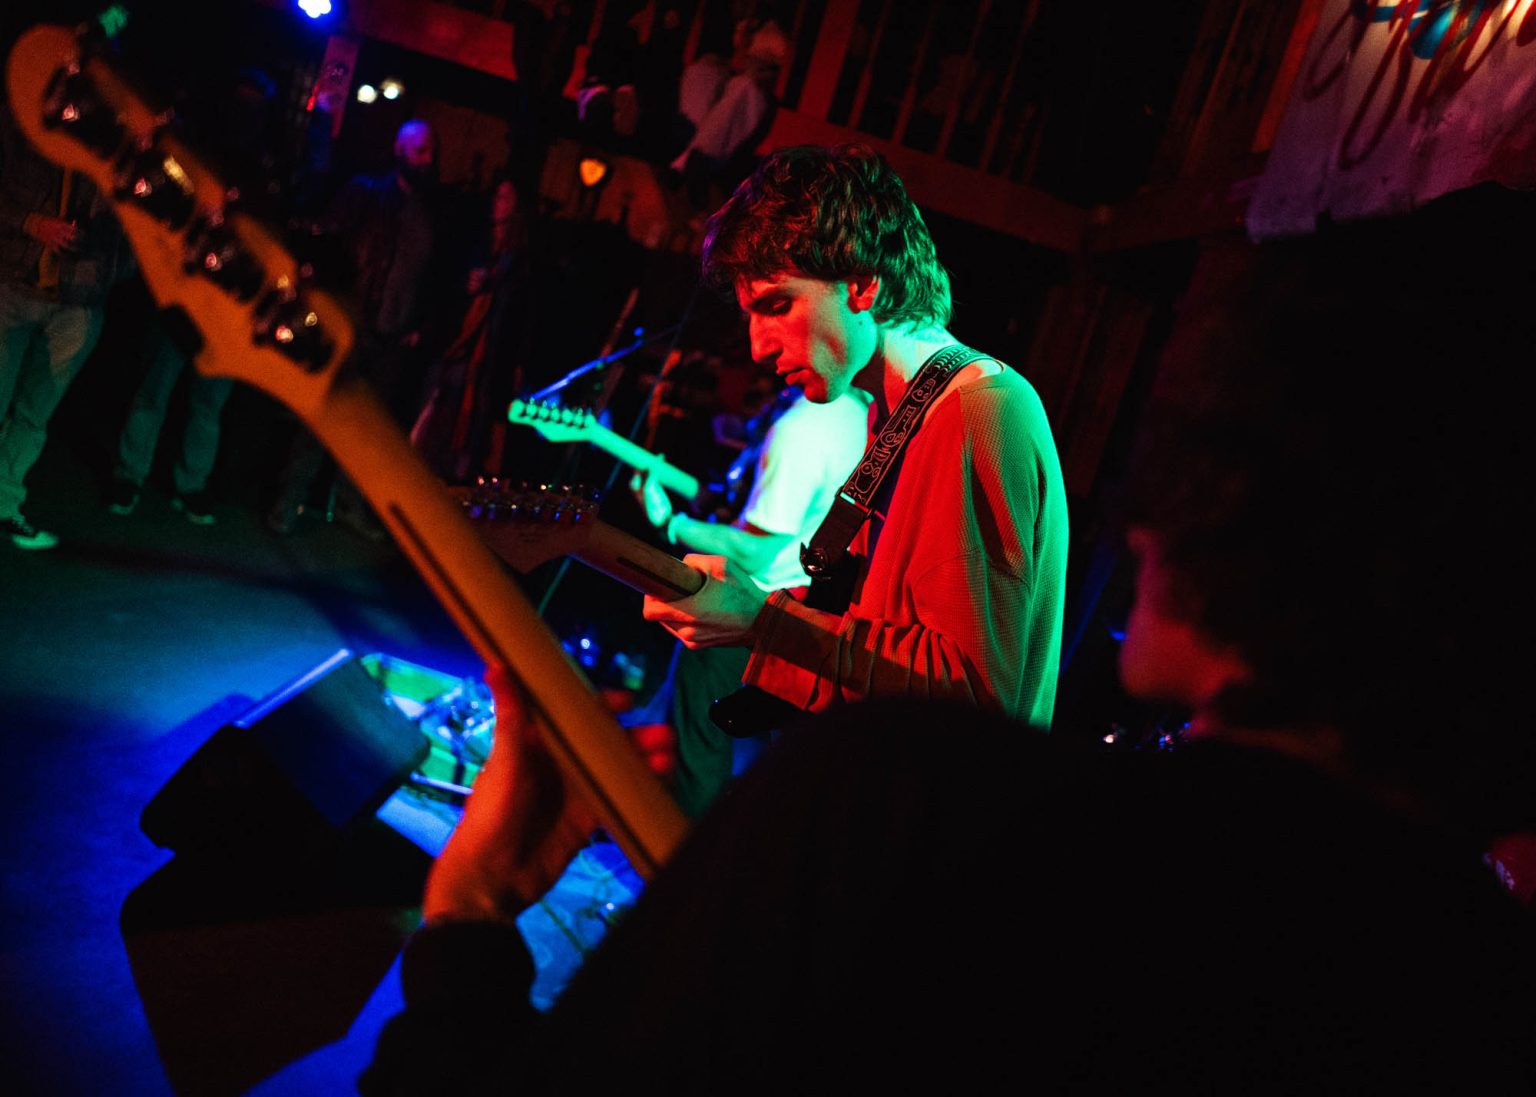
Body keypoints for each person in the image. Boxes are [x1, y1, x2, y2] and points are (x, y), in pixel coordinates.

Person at [361, 252, 1536, 1094]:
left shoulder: (912, 794)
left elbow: (956, 687)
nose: (761, 345)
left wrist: (467, 913)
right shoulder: (1480, 990)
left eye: (777, 305)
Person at [642, 144, 1069, 731]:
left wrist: (762, 623)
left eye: (777, 304)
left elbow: (971, 696)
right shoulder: (896, 413)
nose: (757, 347)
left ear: (863, 285)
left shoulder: (976, 414)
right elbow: (884, 637)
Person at [628, 381, 870, 816]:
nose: (760, 348)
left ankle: (678, 862)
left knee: (698, 750)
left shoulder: (804, 427)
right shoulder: (862, 416)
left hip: (750, 603)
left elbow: (752, 549)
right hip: (806, 609)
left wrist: (669, 523)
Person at [266, 118, 442, 536]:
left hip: (391, 337)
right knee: (322, 415)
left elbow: (427, 276)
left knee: (367, 432)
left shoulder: (428, 214)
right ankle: (285, 503)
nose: (427, 159)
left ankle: (346, 505)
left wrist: (417, 324)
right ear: (400, 151)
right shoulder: (365, 194)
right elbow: (328, 245)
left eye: (430, 151)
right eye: (419, 150)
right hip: (351, 324)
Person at [0, 95, 129, 550]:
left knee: (34, 414)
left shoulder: (118, 161)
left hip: (78, 302)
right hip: (14, 285)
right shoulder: (29, 128)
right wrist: (32, 223)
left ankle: (5, 504)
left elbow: (134, 241)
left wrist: (106, 278)